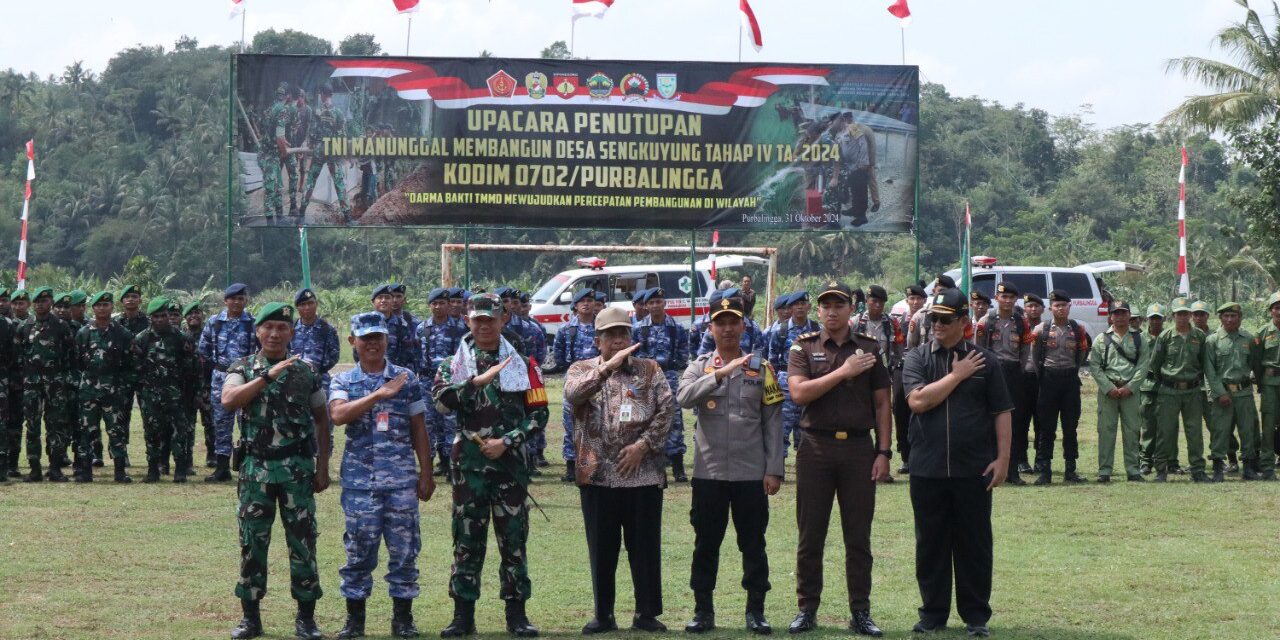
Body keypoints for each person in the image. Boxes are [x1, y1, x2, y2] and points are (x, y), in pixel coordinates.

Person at [433, 293, 547, 638]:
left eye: (490, 319)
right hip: (468, 471)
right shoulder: (452, 364)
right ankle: (462, 616)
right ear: (467, 321)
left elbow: (539, 414)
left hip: (510, 469)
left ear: (503, 320)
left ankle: (517, 615)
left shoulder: (523, 363)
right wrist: (474, 383)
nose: (484, 326)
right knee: (466, 542)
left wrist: (507, 441)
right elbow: (442, 403)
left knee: (513, 542)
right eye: (477, 320)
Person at [901, 287, 1012, 638]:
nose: (937, 325)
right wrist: (956, 375)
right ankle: (932, 614)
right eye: (933, 318)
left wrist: (1003, 459)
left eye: (945, 320)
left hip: (973, 468)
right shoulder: (917, 358)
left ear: (964, 321)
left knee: (974, 544)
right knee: (930, 544)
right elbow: (918, 402)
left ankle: (976, 616)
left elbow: (1001, 411)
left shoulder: (985, 361)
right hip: (927, 467)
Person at [786, 281, 892, 637]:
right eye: (826, 305)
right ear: (818, 311)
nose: (831, 311)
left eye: (839, 305)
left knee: (858, 536)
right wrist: (844, 372)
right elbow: (799, 393)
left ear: (851, 309)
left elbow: (883, 404)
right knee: (810, 534)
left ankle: (860, 611)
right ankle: (807, 609)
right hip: (815, 448)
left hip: (859, 449)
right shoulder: (804, 346)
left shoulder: (869, 348)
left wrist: (884, 452)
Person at [220, 302, 331, 640]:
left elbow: (322, 419)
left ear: (291, 333)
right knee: (252, 543)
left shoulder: (306, 371)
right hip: (256, 469)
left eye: (282, 328)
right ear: (257, 332)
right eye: (268, 327)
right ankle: (250, 618)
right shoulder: (242, 368)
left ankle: (306, 619)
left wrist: (323, 466)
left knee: (303, 543)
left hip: (296, 469)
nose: (274, 333)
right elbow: (229, 400)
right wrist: (266, 376)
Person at [678, 296, 784, 635]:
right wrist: (719, 375)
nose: (727, 328)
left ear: (743, 326)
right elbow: (683, 398)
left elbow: (773, 421)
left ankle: (756, 611)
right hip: (709, 473)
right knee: (706, 544)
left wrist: (774, 469)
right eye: (720, 322)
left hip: (750, 473)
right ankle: (703, 611)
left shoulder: (761, 369)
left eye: (733, 322)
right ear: (710, 328)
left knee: (753, 543)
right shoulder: (699, 367)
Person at [564, 306, 673, 634]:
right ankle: (604, 614)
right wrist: (606, 369)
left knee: (645, 548)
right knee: (602, 549)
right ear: (597, 340)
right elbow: (573, 395)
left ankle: (646, 613)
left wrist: (643, 446)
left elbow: (667, 408)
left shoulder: (649, 369)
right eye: (610, 335)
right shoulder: (582, 369)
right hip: (597, 477)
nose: (618, 340)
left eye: (623, 333)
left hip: (643, 474)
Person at [329, 313, 436, 639]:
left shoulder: (406, 378)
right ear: (353, 341)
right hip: (360, 484)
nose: (372, 343)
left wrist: (426, 472)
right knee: (358, 552)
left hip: (401, 481)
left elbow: (419, 427)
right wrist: (378, 395)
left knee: (405, 552)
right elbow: (337, 415)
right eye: (366, 338)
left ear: (387, 339)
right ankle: (354, 622)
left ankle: (403, 620)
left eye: (378, 337)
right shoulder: (344, 381)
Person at [1030, 290, 1091, 485]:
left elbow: (1082, 353)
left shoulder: (1078, 329)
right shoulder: (1041, 329)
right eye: (1057, 305)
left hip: (1070, 381)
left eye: (1064, 305)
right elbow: (1035, 355)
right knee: (1046, 427)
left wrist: (1072, 370)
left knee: (1070, 427)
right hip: (1048, 380)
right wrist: (1044, 376)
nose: (1060, 309)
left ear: (1069, 307)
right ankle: (1044, 470)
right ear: (1051, 308)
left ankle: (1070, 469)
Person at [134, 297, 198, 483]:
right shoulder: (142, 338)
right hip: (150, 393)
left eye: (163, 316)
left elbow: (191, 367)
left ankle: (180, 470)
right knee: (152, 432)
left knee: (179, 432)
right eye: (156, 316)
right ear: (150, 318)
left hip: (175, 393)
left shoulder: (181, 337)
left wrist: (191, 392)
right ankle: (153, 469)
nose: (160, 319)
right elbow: (136, 366)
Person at [16, 287, 77, 482]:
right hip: (32, 385)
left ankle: (55, 468)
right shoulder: (24, 326)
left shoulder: (61, 326)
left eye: (44, 301)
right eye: (37, 301)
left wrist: (65, 379)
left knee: (56, 425)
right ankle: (34, 469)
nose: (40, 304)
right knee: (32, 426)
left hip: (55, 384)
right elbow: (18, 355)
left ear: (50, 302)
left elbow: (70, 354)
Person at [200, 283, 259, 482]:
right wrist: (218, 368)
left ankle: (249, 466)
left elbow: (261, 350)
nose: (237, 302)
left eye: (241, 299)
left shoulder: (253, 323)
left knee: (247, 422)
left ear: (246, 301)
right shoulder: (214, 322)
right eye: (233, 299)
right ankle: (222, 468)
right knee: (221, 423)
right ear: (226, 301)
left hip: (246, 379)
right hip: (221, 379)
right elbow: (203, 349)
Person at [1148, 298, 1211, 483]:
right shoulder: (1165, 336)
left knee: (1194, 431)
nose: (1182, 317)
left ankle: (1198, 470)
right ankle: (1161, 470)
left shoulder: (1199, 336)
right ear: (1173, 316)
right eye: (1179, 314)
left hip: (1193, 391)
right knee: (1165, 431)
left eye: (1185, 313)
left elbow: (1204, 362)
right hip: (1169, 391)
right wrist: (1168, 381)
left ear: (1190, 315)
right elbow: (1155, 364)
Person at [974, 282, 1031, 486]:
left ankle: (1012, 471)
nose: (1007, 301)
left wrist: (1018, 369)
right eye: (1003, 297)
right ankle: (989, 469)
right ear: (996, 298)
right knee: (989, 421)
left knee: (1013, 421)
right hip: (991, 372)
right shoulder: (986, 321)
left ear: (1016, 299)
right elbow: (979, 349)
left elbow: (1025, 350)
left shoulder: (1021, 322)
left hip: (1014, 372)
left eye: (1011, 297)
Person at [632, 287, 691, 482]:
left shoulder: (676, 328)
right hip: (645, 378)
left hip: (669, 376)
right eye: (651, 302)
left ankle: (678, 466)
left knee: (674, 418)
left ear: (664, 303)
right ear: (646, 306)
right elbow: (633, 355)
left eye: (659, 301)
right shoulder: (638, 329)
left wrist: (670, 367)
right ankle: (651, 463)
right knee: (646, 417)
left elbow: (683, 354)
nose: (655, 305)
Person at [1088, 301, 1149, 483]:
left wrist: (1130, 387)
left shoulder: (1139, 339)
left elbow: (1143, 366)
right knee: (1106, 431)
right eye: (1116, 313)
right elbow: (1095, 366)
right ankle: (1104, 471)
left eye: (1123, 313)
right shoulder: (1101, 339)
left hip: (1130, 392)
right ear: (1111, 316)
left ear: (1129, 315)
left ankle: (1133, 470)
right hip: (1108, 392)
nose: (1120, 316)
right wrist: (1108, 388)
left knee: (1132, 431)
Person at [853, 285, 905, 480]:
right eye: (874, 301)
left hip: (882, 377)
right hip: (859, 378)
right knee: (860, 419)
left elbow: (899, 346)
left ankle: (883, 464)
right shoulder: (856, 322)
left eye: (881, 302)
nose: (877, 305)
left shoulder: (891, 323)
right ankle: (862, 465)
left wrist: (895, 368)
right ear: (867, 301)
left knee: (882, 419)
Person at [1205, 302, 1259, 482]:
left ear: (1240, 318)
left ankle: (1248, 468)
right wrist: (1220, 393)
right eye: (1226, 316)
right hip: (1223, 393)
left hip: (1244, 393)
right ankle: (1218, 469)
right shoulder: (1212, 340)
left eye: (1233, 316)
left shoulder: (1248, 339)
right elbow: (1210, 371)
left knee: (1248, 430)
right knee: (1220, 431)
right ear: (1220, 318)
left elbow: (1254, 364)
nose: (1229, 319)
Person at [552, 289, 600, 482]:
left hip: (598, 379)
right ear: (576, 306)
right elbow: (558, 354)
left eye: (590, 300)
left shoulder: (601, 327)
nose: (586, 304)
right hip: (574, 378)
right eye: (582, 301)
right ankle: (571, 467)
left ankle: (595, 464)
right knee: (570, 422)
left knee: (598, 421)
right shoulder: (566, 329)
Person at [418, 287, 465, 477]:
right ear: (430, 306)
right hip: (426, 382)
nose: (438, 307)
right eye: (434, 303)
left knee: (450, 423)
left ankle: (449, 463)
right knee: (428, 424)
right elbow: (415, 354)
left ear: (448, 305)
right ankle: (428, 463)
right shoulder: (421, 328)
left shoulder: (460, 328)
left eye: (442, 303)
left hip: (450, 382)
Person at [770, 291, 819, 459]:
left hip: (809, 385)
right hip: (785, 387)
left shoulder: (816, 329)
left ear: (809, 307)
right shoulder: (780, 330)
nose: (800, 307)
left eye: (803, 304)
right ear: (790, 308)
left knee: (807, 432)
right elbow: (772, 360)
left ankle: (805, 465)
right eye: (796, 304)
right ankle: (778, 468)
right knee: (781, 431)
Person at [300, 83, 352, 222]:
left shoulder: (317, 112)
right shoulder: (339, 113)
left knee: (311, 181)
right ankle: (348, 218)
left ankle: (301, 214)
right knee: (339, 183)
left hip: (319, 150)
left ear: (323, 94)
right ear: (331, 95)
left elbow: (312, 133)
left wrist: (311, 144)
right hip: (333, 151)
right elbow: (343, 136)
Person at [893, 284, 927, 472]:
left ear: (924, 300)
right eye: (911, 299)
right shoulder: (896, 321)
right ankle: (905, 456)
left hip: (921, 368)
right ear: (907, 301)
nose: (915, 302)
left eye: (918, 299)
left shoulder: (928, 318)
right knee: (900, 410)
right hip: (901, 368)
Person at [182, 302, 216, 468]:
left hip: (208, 386)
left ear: (202, 315)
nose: (194, 316)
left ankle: (212, 455)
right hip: (188, 387)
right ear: (185, 317)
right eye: (190, 313)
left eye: (197, 313)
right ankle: (187, 458)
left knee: (210, 423)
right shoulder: (181, 336)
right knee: (187, 424)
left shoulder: (209, 335)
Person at [290, 288, 341, 397]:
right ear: (297, 307)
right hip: (292, 380)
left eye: (310, 303)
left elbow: (334, 355)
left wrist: (316, 368)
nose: (307, 307)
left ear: (316, 304)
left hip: (320, 381)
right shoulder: (290, 328)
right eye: (303, 304)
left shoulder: (327, 329)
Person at [1252, 291, 1280, 481]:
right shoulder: (1262, 333)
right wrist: (1261, 384)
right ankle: (1267, 465)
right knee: (1269, 425)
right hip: (1270, 384)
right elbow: (1256, 361)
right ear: (1271, 311)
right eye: (1277, 307)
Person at [1138, 304, 1166, 475]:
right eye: (1152, 318)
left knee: (1167, 426)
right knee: (1148, 426)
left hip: (1167, 386)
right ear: (1147, 319)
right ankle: (1146, 461)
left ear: (1164, 319)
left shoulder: (1168, 336)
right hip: (1147, 386)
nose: (1155, 321)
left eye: (1158, 318)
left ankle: (1167, 460)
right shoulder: (1140, 338)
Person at [698, 288, 765, 356]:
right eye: (721, 323)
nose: (728, 329)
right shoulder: (714, 328)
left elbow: (758, 352)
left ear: (743, 326)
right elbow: (704, 354)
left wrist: (748, 361)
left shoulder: (752, 326)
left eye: (734, 322)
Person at [5, 289, 28, 478]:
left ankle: (12, 464)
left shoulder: (20, 326)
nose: (2, 304)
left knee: (14, 424)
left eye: (4, 300)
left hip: (16, 384)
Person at [906, 276, 956, 350]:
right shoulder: (921, 315)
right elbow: (911, 347)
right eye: (941, 291)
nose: (944, 295)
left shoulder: (960, 315)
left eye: (948, 292)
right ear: (933, 291)